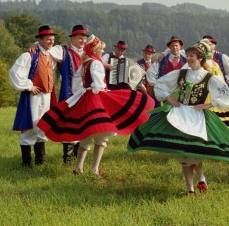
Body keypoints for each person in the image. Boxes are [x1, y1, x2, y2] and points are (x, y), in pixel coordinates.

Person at [128, 41, 229, 195]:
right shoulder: (182, 73)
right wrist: (169, 98)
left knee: (194, 152)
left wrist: (208, 105)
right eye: (188, 55)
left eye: (192, 56)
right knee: (184, 153)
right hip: (180, 114)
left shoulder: (208, 77)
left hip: (197, 116)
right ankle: (190, 189)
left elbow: (225, 93)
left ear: (200, 59)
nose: (189, 58)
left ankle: (201, 179)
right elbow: (161, 84)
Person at [37, 35, 154, 177]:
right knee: (102, 134)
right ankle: (94, 169)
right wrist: (106, 91)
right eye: (101, 49)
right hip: (95, 99)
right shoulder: (96, 63)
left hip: (85, 97)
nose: (102, 52)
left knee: (86, 134)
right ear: (95, 50)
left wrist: (82, 92)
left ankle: (78, 168)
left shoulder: (85, 63)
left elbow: (76, 83)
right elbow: (99, 84)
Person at [10, 25, 58, 167]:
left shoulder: (50, 55)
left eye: (53, 40)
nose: (51, 42)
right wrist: (29, 86)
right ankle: (26, 163)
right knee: (30, 127)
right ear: (40, 40)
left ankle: (40, 160)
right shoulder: (29, 55)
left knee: (43, 125)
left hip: (47, 96)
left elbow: (63, 51)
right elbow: (14, 73)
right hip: (34, 97)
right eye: (48, 39)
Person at [52, 24, 88, 164]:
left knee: (81, 125)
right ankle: (67, 159)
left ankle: (77, 157)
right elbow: (47, 50)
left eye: (84, 38)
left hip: (84, 95)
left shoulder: (86, 53)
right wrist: (36, 44)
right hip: (70, 95)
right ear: (72, 38)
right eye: (80, 38)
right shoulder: (64, 51)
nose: (83, 41)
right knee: (69, 126)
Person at [199, 37, 229, 132]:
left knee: (226, 107)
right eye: (207, 47)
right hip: (203, 92)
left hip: (219, 91)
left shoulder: (219, 58)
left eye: (211, 46)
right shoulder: (198, 60)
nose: (211, 51)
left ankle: (220, 129)